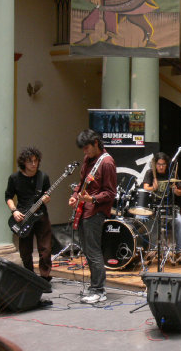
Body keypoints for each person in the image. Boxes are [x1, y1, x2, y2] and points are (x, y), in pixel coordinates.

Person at [69, 129, 117, 304]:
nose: (85, 151)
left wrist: (92, 198)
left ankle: (98, 290)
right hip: (83, 210)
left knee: (94, 251)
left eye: (87, 147)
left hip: (96, 212)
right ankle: (93, 287)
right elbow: (82, 182)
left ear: (96, 143)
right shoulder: (88, 160)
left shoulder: (107, 162)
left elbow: (111, 193)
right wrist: (75, 195)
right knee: (87, 250)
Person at [5, 147, 53, 283]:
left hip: (41, 215)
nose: (33, 164)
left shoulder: (43, 177)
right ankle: (29, 276)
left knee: (46, 248)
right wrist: (14, 211)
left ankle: (45, 277)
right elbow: (8, 196)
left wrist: (46, 199)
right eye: (30, 161)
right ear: (23, 163)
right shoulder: (14, 178)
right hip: (22, 215)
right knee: (25, 250)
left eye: (36, 161)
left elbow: (47, 195)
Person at [142, 152, 181, 262]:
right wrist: (153, 187)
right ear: (155, 165)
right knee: (150, 221)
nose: (161, 167)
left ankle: (179, 250)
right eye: (158, 164)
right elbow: (145, 187)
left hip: (169, 207)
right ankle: (153, 249)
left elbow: (180, 192)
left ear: (166, 165)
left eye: (163, 164)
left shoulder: (171, 174)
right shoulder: (150, 173)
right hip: (155, 207)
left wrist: (175, 190)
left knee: (179, 222)